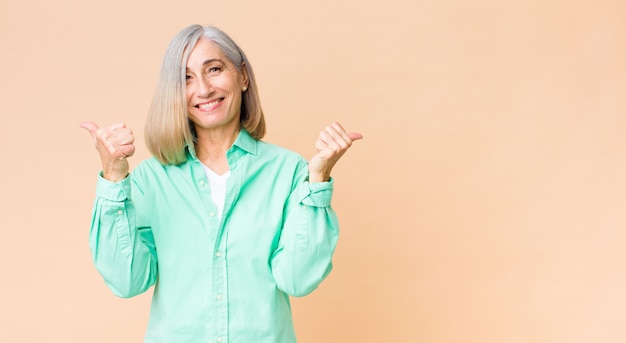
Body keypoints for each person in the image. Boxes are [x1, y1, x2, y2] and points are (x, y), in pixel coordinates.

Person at [80, 24, 362, 342]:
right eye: (185, 78)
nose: (203, 89)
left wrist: (318, 181)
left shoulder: (289, 172)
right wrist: (114, 177)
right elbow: (126, 281)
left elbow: (299, 279)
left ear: (242, 76)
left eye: (213, 69)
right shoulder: (150, 179)